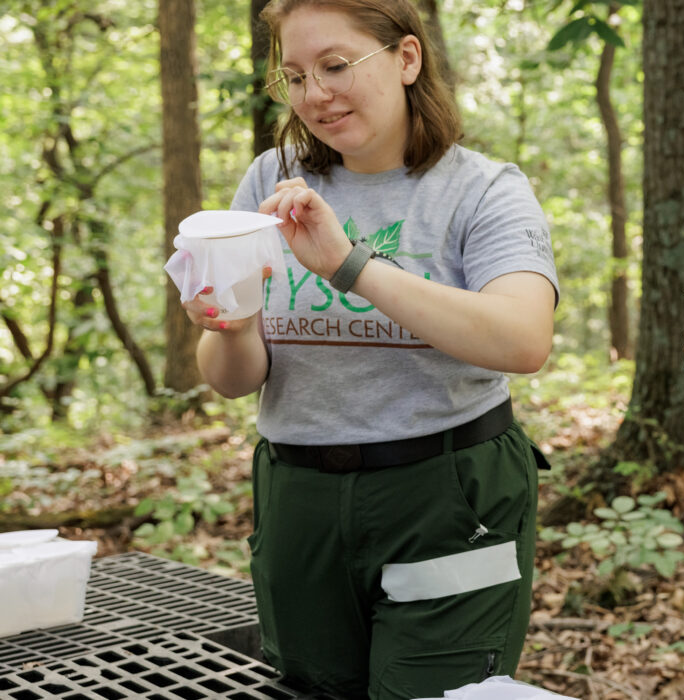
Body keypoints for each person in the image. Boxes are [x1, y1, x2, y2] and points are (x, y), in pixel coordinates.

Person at [181, 0, 558, 697]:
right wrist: (228, 326)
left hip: (447, 498)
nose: (314, 95)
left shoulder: (483, 191)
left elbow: (523, 337)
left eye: (335, 66)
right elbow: (233, 379)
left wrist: (348, 265)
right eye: (294, 76)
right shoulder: (272, 179)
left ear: (407, 59)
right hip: (300, 501)